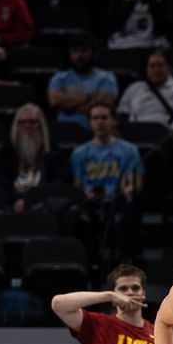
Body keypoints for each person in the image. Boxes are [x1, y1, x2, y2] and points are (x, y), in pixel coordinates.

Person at [70, 102, 144, 262]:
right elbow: (77, 185)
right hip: (90, 202)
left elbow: (133, 182)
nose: (100, 122)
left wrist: (127, 189)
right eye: (95, 118)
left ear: (113, 120)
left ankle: (127, 258)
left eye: (104, 117)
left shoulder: (129, 150)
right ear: (90, 122)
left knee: (130, 206)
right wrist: (85, 196)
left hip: (117, 201)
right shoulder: (79, 153)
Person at [0, 104, 67, 212]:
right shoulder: (5, 153)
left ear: (40, 125)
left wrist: (34, 201)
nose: (27, 126)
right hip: (11, 205)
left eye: (32, 122)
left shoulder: (53, 152)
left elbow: (59, 181)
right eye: (22, 122)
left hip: (44, 205)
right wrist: (14, 201)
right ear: (16, 126)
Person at [117, 48, 173, 136]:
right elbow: (122, 114)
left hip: (165, 135)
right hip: (135, 133)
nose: (156, 70)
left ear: (169, 68)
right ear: (146, 68)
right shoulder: (133, 88)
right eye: (152, 66)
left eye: (160, 66)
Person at [48, 35, 119, 130]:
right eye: (75, 51)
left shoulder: (106, 78)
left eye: (84, 51)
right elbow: (55, 102)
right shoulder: (59, 78)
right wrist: (89, 97)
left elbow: (102, 108)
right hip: (64, 131)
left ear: (93, 54)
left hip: (95, 132)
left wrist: (67, 107)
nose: (79, 56)